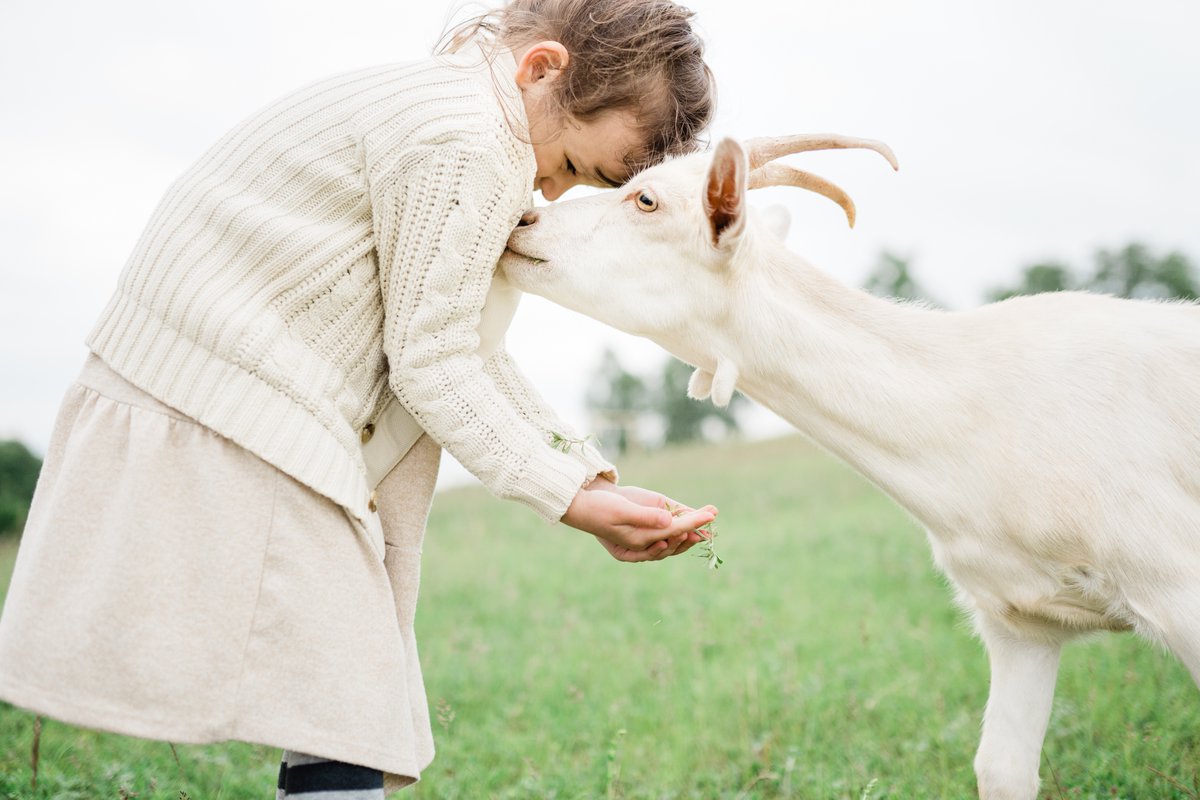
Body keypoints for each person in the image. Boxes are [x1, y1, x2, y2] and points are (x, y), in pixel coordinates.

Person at [0, 0, 718, 796]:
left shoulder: (454, 110)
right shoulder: (470, 139)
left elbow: (459, 347)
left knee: (345, 689)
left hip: (235, 392)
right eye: (576, 168)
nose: (549, 196)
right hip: (230, 403)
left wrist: (585, 475)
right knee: (346, 686)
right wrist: (567, 500)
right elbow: (433, 361)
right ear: (541, 70)